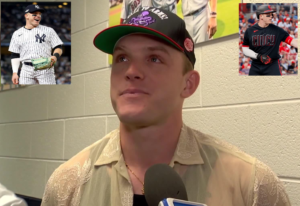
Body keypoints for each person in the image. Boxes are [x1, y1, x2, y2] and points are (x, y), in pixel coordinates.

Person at [41, 7, 291, 206]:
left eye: (154, 58)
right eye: (122, 58)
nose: (131, 71)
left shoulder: (251, 185)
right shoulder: (67, 186)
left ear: (188, 84)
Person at [9, 4, 63, 85]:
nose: (38, 16)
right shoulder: (17, 33)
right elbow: (15, 55)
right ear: (26, 16)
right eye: (34, 14)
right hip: (26, 69)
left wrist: (55, 56)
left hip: (45, 67)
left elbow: (58, 47)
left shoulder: (48, 30)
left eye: (39, 14)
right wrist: (15, 73)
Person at [242, 4, 298, 75]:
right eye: (268, 14)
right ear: (261, 16)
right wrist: (259, 56)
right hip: (256, 66)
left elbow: (293, 41)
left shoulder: (277, 30)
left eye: (271, 14)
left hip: (272, 66)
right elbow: (245, 50)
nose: (271, 16)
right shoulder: (249, 31)